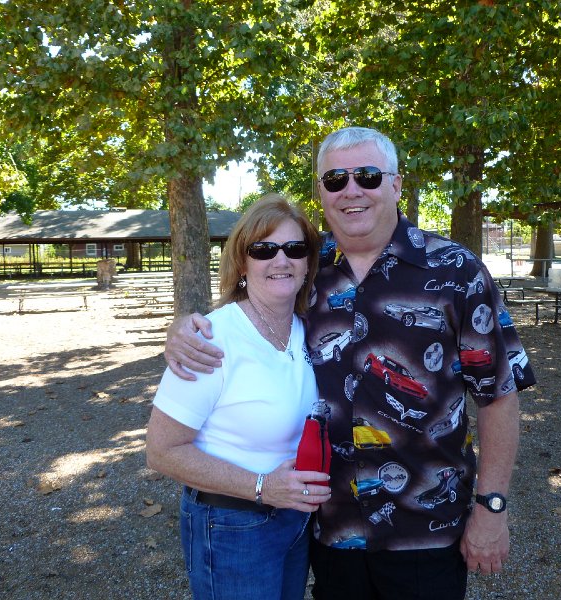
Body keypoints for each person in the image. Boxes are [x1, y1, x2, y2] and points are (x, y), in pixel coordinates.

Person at [164, 127, 536, 600]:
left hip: (426, 524)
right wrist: (183, 329)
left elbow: (498, 394)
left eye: (367, 175)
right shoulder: (300, 265)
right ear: (321, 192)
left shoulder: (456, 271)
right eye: (335, 179)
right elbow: (244, 307)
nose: (351, 189)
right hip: (330, 525)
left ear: (396, 184)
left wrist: (492, 506)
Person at [145, 193, 331, 600]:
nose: (280, 260)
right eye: (264, 249)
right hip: (232, 526)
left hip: (294, 520)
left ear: (307, 263)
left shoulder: (308, 327)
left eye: (294, 248)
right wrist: (263, 487)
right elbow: (161, 451)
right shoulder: (212, 339)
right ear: (242, 263)